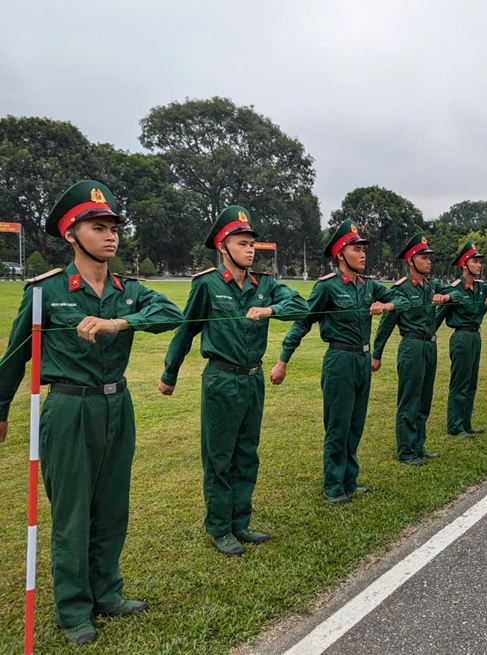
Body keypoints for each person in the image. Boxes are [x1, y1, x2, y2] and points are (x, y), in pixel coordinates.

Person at [0, 181, 182, 645]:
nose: (110, 237)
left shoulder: (130, 291)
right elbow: (16, 355)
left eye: (113, 228)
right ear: (70, 234)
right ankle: (74, 609)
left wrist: (119, 321)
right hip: (68, 408)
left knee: (112, 508)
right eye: (97, 227)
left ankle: (108, 593)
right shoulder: (47, 291)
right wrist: (0, 409)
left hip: (117, 405)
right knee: (73, 513)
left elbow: (172, 317)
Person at [159, 206, 308, 557]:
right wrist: (170, 373)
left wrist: (271, 309)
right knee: (219, 457)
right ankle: (219, 527)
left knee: (246, 454)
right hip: (221, 380)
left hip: (253, 380)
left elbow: (301, 306)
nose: (250, 250)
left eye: (252, 244)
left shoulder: (265, 284)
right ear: (223, 247)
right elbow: (186, 329)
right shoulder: (207, 285)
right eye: (242, 244)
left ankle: (241, 521)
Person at [270, 220, 408, 503]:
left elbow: (404, 298)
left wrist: (387, 304)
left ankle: (349, 480)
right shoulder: (327, 288)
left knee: (356, 424)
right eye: (356, 249)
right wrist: (283, 360)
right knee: (338, 425)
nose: (363, 254)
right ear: (340, 254)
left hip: (362, 359)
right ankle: (333, 485)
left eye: (363, 250)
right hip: (339, 360)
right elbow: (303, 323)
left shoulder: (370, 286)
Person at [372, 233, 452, 466]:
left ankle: (419, 444)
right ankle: (406, 450)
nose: (429, 261)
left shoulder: (432, 285)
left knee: (424, 398)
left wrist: (445, 295)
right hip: (412, 345)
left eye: (430, 257)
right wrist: (376, 354)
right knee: (410, 399)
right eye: (424, 257)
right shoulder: (401, 289)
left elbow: (456, 292)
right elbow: (386, 323)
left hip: (430, 345)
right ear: (411, 260)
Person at [437, 241, 487, 438]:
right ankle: (455, 425)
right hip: (461, 337)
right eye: (475, 261)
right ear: (464, 265)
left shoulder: (481, 288)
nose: (479, 265)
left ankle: (466, 422)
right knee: (460, 382)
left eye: (480, 262)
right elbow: (439, 314)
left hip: (475, 335)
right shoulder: (455, 288)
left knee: (471, 382)